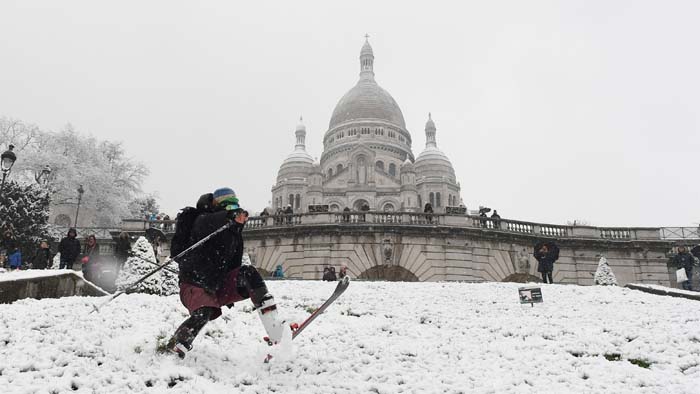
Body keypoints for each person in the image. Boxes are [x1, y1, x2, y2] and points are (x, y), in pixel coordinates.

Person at [164, 187, 286, 358]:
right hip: (194, 283)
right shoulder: (201, 219)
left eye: (235, 206)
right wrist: (228, 217)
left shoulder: (232, 232)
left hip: (218, 284)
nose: (233, 211)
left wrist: (241, 284)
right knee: (204, 312)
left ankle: (275, 329)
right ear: (217, 206)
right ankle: (176, 345)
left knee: (249, 273)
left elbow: (233, 263)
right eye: (228, 207)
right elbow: (208, 223)